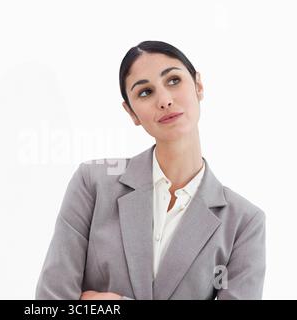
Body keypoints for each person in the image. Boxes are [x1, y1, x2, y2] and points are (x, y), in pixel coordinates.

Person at [35, 40, 266, 300]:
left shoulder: (244, 223)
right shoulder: (93, 184)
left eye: (174, 81)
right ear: (131, 112)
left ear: (198, 86)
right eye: (145, 92)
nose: (165, 101)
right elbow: (50, 301)